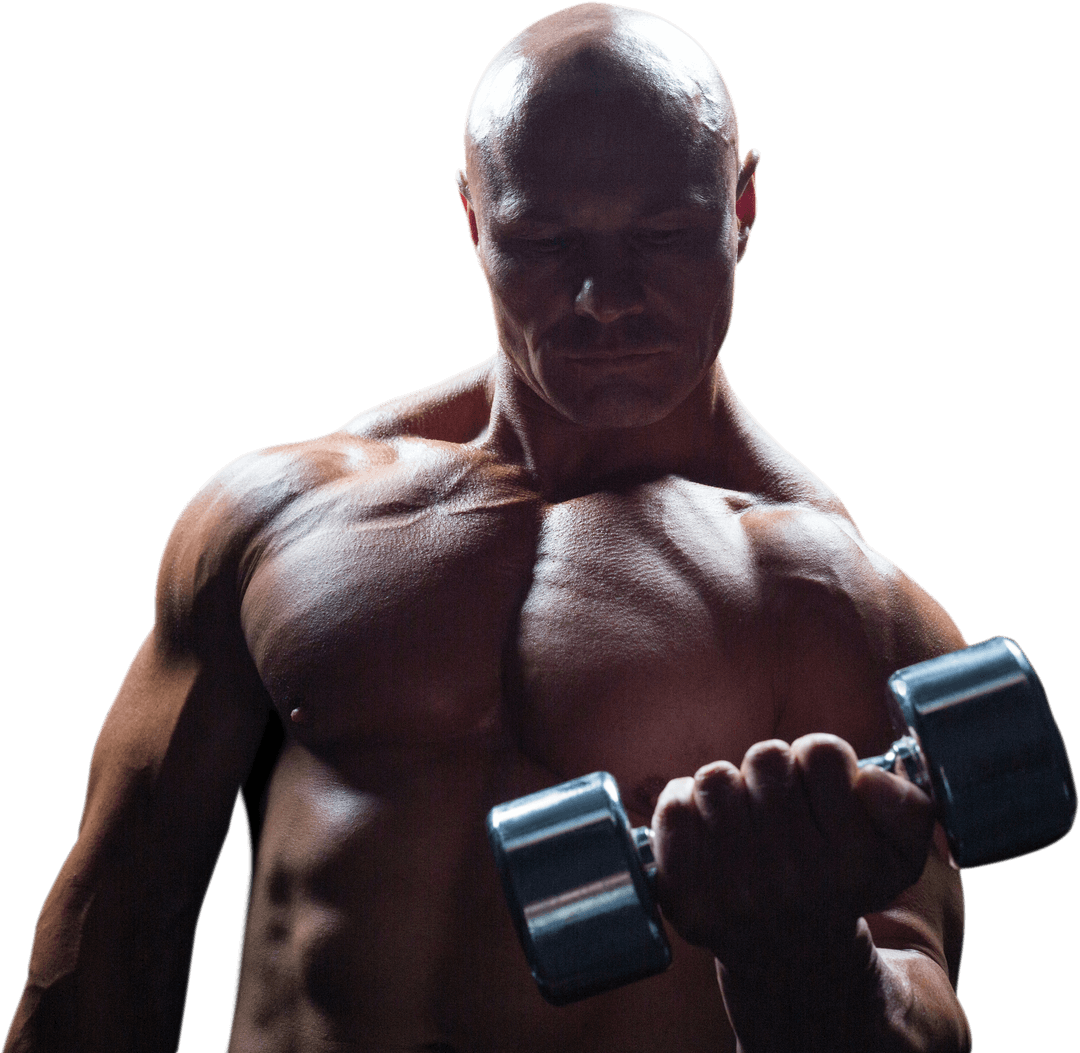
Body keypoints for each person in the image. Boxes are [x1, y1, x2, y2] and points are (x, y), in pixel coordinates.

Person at [4, 4, 974, 1051]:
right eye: (545, 240)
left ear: (742, 206)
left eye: (662, 236)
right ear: (472, 220)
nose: (606, 298)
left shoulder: (834, 600)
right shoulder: (277, 517)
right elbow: (114, 928)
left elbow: (922, 1019)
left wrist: (808, 956)